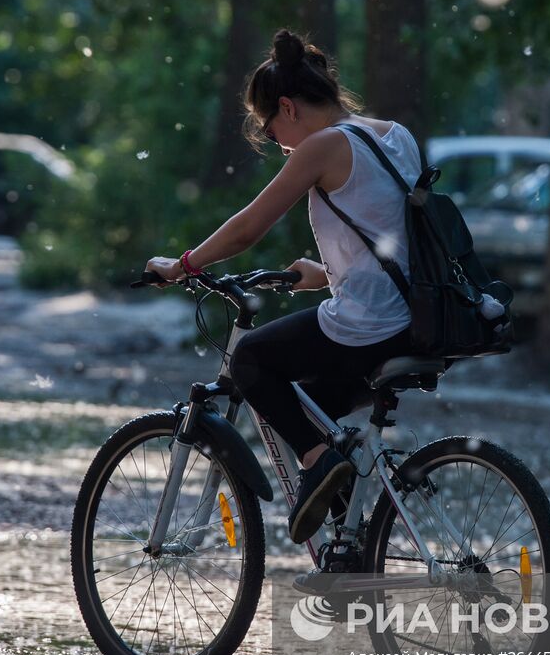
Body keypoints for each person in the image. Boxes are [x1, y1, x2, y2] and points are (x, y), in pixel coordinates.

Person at [144, 29, 421, 546]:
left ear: (288, 108)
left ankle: (319, 466)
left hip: (370, 325)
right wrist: (328, 273)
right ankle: (349, 542)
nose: (277, 144)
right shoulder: (393, 135)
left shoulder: (322, 146)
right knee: (309, 406)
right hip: (417, 321)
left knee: (251, 359)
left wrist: (182, 265)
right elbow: (395, 233)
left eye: (271, 132)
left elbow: (249, 229)